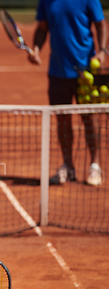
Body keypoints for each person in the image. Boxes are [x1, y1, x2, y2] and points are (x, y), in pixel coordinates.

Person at [28, 0, 107, 186]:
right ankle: (68, 166)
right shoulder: (46, 1)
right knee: (62, 119)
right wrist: (37, 49)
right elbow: (41, 28)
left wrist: (102, 51)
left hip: (86, 71)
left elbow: (101, 24)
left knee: (90, 118)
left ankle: (95, 166)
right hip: (57, 71)